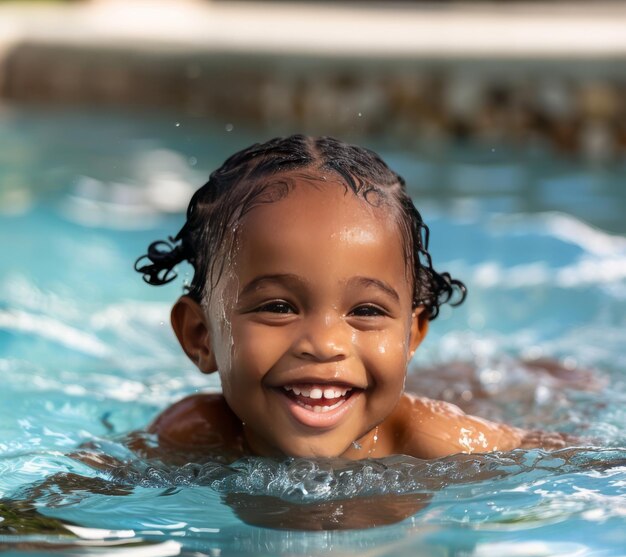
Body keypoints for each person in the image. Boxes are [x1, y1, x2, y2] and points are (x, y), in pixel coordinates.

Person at [135, 135, 571, 462]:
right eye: (279, 307)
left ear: (411, 335)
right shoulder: (196, 433)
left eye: (366, 311)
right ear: (201, 336)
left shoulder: (438, 442)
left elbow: (582, 463)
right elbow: (81, 491)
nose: (325, 344)